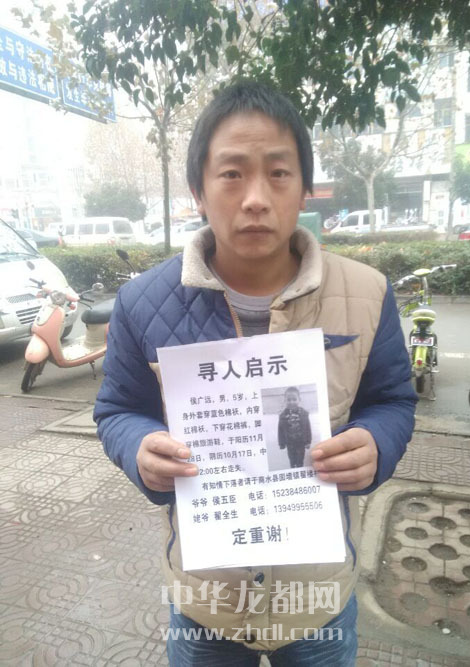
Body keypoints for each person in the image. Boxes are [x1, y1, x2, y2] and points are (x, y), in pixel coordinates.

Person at [94, 81, 417, 666]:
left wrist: (377, 443)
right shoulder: (142, 303)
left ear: (304, 188)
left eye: (278, 173)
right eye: (232, 174)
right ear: (198, 191)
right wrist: (138, 448)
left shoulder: (367, 294)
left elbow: (392, 400)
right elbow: (118, 409)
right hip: (206, 599)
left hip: (317, 595)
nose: (256, 199)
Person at [278, 386, 312, 468]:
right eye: (289, 400)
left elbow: (308, 428)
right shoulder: (283, 416)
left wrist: (308, 441)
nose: (291, 402)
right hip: (290, 443)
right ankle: (293, 468)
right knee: (292, 459)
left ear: (299, 399)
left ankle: (299, 468)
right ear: (285, 400)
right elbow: (280, 431)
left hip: (301, 442)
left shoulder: (304, 414)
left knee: (300, 460)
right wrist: (282, 443)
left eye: (294, 399)